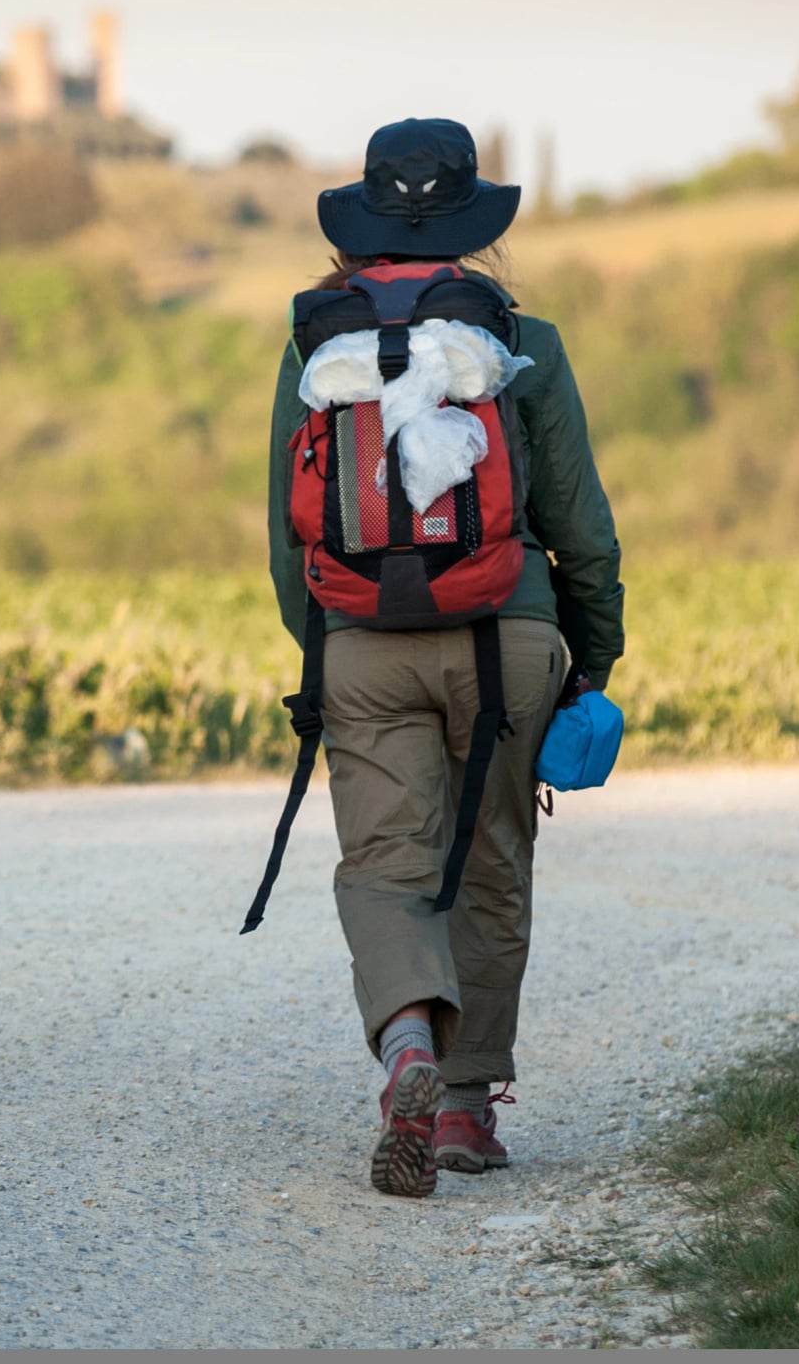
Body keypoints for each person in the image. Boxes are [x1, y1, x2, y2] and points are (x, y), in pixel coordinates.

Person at [264, 119, 625, 1197]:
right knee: (491, 861)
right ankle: (464, 1109)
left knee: (386, 867)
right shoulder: (526, 341)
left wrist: (328, 648)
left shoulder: (316, 349)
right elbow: (579, 523)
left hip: (362, 643)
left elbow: (288, 536)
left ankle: (408, 1047)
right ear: (471, 228)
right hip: (506, 636)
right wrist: (591, 657)